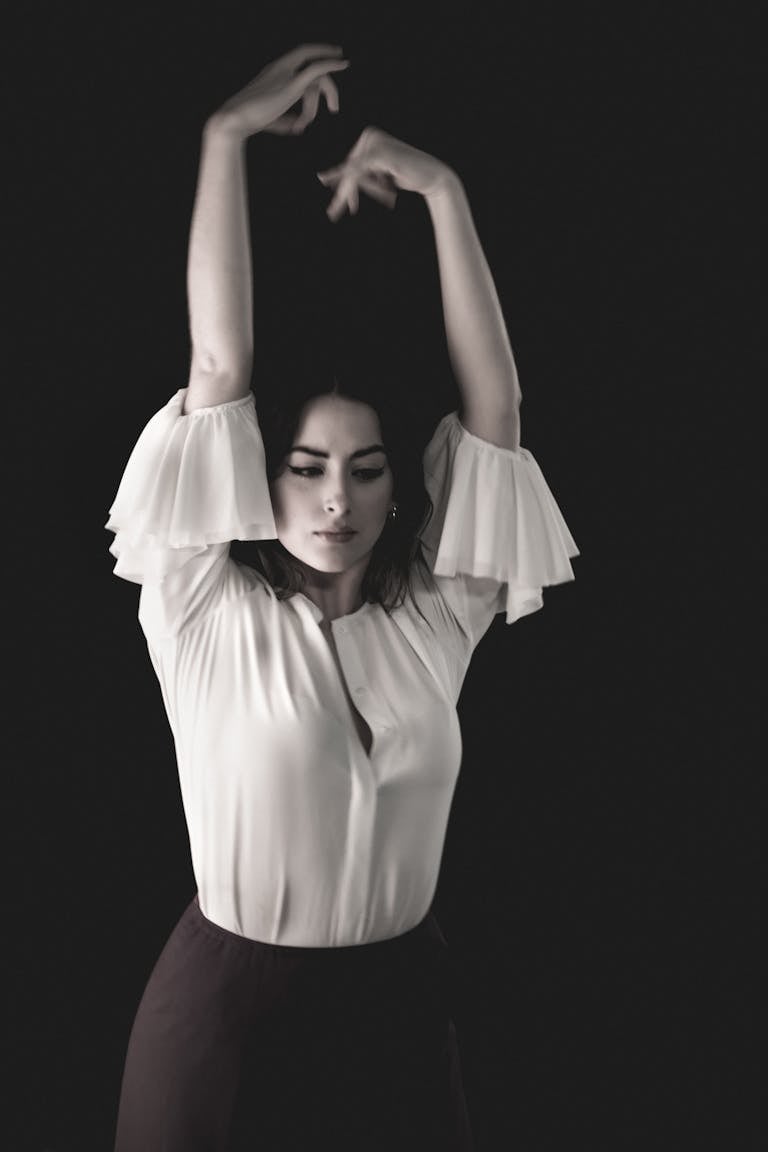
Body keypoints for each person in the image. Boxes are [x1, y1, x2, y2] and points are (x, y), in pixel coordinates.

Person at [105, 42, 579, 1152]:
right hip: (225, 1015)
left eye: (367, 469)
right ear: (259, 482)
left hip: (402, 1013)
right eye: (307, 468)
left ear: (393, 487)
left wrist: (445, 195)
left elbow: (496, 406)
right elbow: (219, 363)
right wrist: (224, 141)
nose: (337, 499)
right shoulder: (200, 608)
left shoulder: (436, 619)